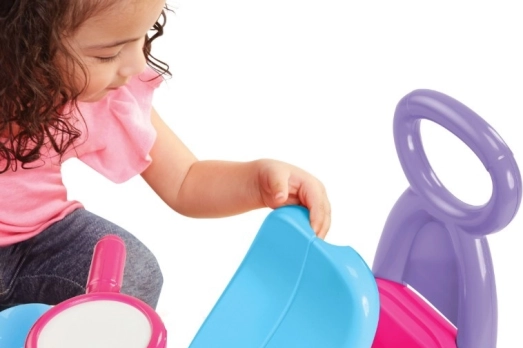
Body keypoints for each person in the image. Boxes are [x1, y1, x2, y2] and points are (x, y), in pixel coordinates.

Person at [0, 0, 331, 312]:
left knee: (134, 274)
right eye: (107, 54)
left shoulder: (102, 98)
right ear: (24, 45)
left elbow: (185, 179)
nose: (137, 64)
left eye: (143, 36)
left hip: (42, 241)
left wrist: (257, 183)